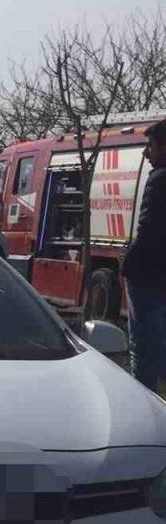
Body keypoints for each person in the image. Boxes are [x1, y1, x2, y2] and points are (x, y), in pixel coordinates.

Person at [124, 119, 166, 392]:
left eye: (150, 145)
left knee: (144, 347)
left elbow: (149, 232)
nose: (145, 153)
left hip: (149, 277)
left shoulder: (160, 179)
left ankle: (144, 407)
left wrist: (130, 259)